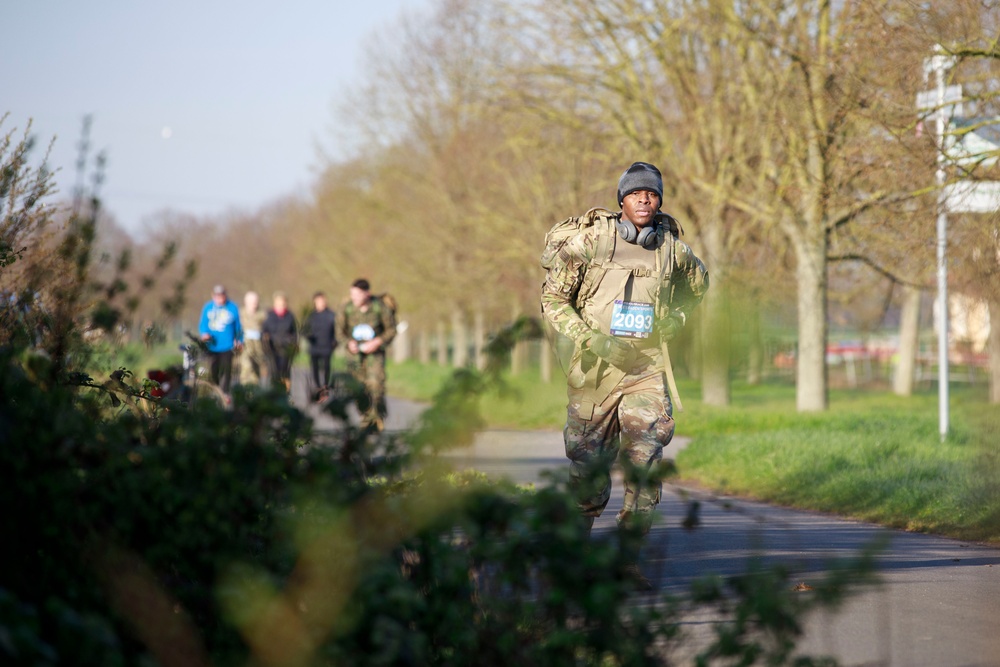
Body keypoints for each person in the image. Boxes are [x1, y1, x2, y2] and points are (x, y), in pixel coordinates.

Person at [539, 162, 709, 590]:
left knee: (645, 464)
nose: (644, 201)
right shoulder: (592, 242)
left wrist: (677, 319)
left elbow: (700, 285)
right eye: (636, 194)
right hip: (596, 372)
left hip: (646, 370)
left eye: (651, 194)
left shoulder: (672, 248)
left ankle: (628, 562)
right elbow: (553, 298)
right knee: (588, 473)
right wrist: (590, 339)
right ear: (622, 200)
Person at [338, 278, 396, 432]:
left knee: (376, 385)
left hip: (374, 355)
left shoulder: (379, 307)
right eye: (352, 294)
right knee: (358, 388)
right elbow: (339, 332)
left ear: (367, 294)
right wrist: (348, 343)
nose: (354, 298)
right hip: (354, 357)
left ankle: (377, 417)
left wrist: (377, 341)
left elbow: (391, 329)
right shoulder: (347, 308)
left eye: (357, 295)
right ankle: (365, 416)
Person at [198, 284, 243, 393]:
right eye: (217, 295)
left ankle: (224, 394)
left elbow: (239, 326)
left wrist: (239, 340)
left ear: (225, 295)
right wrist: (204, 334)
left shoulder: (232, 307)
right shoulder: (208, 307)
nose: (219, 298)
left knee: (226, 371)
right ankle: (214, 391)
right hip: (211, 346)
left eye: (221, 295)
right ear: (213, 296)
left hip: (227, 346)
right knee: (213, 371)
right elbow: (203, 324)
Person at [304, 291, 338, 401]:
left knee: (326, 368)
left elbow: (337, 330)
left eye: (323, 300)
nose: (321, 303)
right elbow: (305, 330)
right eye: (318, 301)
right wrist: (308, 336)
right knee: (315, 368)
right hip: (314, 346)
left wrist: (335, 342)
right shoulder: (311, 316)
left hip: (327, 346)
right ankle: (318, 388)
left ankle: (325, 388)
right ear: (315, 302)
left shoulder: (331, 315)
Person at [262, 291, 298, 394]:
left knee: (285, 372)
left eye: (282, 304)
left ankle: (286, 393)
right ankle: (274, 393)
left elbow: (294, 332)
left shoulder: (290, 316)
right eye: (278, 304)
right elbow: (264, 331)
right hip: (272, 348)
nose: (280, 306)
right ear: (274, 304)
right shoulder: (269, 315)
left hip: (285, 348)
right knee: (273, 372)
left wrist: (293, 343)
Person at [238, 290, 268, 387]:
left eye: (256, 301)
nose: (254, 304)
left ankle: (254, 392)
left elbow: (267, 329)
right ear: (246, 302)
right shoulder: (240, 314)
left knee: (256, 370)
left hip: (258, 348)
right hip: (245, 347)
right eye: (251, 302)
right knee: (247, 367)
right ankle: (244, 389)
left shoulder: (262, 315)